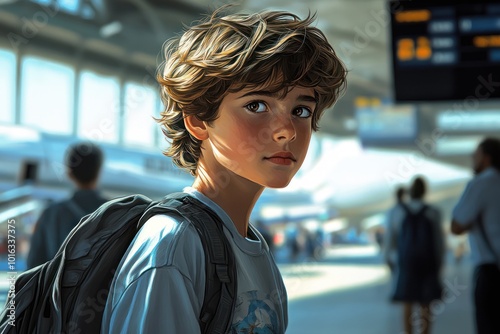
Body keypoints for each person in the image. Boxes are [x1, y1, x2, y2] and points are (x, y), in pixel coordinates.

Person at [101, 7, 347, 333]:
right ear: (198, 121)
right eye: (257, 105)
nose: (286, 129)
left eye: (301, 110)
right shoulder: (173, 246)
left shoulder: (251, 245)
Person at [27, 141, 107, 269]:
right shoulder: (117, 213)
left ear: (69, 173)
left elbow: (34, 267)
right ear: (99, 171)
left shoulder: (51, 215)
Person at [451, 137, 500, 334]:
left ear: (486, 158)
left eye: (476, 155)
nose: (473, 159)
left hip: (490, 271)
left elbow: (457, 226)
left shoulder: (481, 183)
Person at [384, 177, 445, 334]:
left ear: (409, 192)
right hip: (428, 263)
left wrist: (389, 261)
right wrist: (439, 264)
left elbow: (390, 240)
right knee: (426, 303)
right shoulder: (434, 212)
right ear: (425, 192)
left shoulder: (397, 212)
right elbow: (439, 243)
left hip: (406, 263)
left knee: (407, 302)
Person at [383, 186, 407, 271]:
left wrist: (386, 255)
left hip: (396, 253)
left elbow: (389, 236)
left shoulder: (392, 212)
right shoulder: (410, 211)